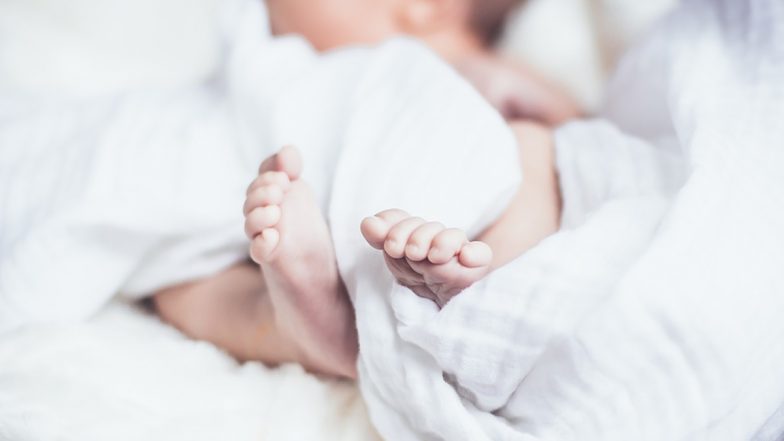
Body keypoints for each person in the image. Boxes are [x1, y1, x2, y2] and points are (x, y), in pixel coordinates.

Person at [264, 0, 580, 124]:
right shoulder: (274, 70)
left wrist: (563, 115)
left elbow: (599, 156)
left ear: (427, 5)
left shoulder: (502, 86)